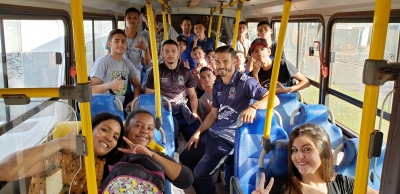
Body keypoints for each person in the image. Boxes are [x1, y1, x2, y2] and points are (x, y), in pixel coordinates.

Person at [179, 46, 280, 194]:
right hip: (213, 133)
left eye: (225, 61)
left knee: (201, 174)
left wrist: (253, 107)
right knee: (185, 158)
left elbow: (273, 98)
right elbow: (213, 115)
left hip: (228, 138)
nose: (221, 65)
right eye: (218, 61)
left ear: (234, 61)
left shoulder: (245, 82)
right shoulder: (218, 85)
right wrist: (198, 133)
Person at [0, 113, 124, 194]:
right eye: (104, 130)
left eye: (115, 137)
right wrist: (60, 142)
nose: (109, 138)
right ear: (88, 129)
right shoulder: (61, 155)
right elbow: (4, 172)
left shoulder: (106, 165)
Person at [252, 124, 379, 194]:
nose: (299, 156)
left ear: (324, 151)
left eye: (307, 149)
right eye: (294, 150)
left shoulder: (344, 184)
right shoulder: (280, 186)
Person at [107, 110, 194, 189]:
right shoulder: (112, 151)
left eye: (150, 128)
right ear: (126, 128)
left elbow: (186, 181)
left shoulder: (155, 155)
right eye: (138, 125)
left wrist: (151, 155)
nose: (145, 131)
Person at [145, 40, 201, 146]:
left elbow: (193, 95)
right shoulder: (156, 71)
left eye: (173, 51)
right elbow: (149, 95)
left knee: (197, 137)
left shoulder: (185, 72)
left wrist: (194, 111)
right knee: (169, 144)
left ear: (178, 52)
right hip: (164, 111)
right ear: (162, 53)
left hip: (182, 110)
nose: (170, 54)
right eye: (167, 51)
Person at [90, 29, 142, 108]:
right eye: (116, 41)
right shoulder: (102, 62)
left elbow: (137, 85)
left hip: (119, 108)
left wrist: (135, 100)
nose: (120, 44)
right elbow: (91, 89)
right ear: (109, 44)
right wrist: (109, 85)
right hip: (102, 107)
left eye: (123, 41)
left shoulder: (128, 63)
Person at [105, 8, 151, 74]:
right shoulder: (114, 35)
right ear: (125, 19)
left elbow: (147, 63)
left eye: (135, 18)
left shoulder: (143, 39)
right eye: (129, 17)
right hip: (118, 70)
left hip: (135, 71)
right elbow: (109, 57)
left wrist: (146, 50)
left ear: (138, 21)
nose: (132, 20)